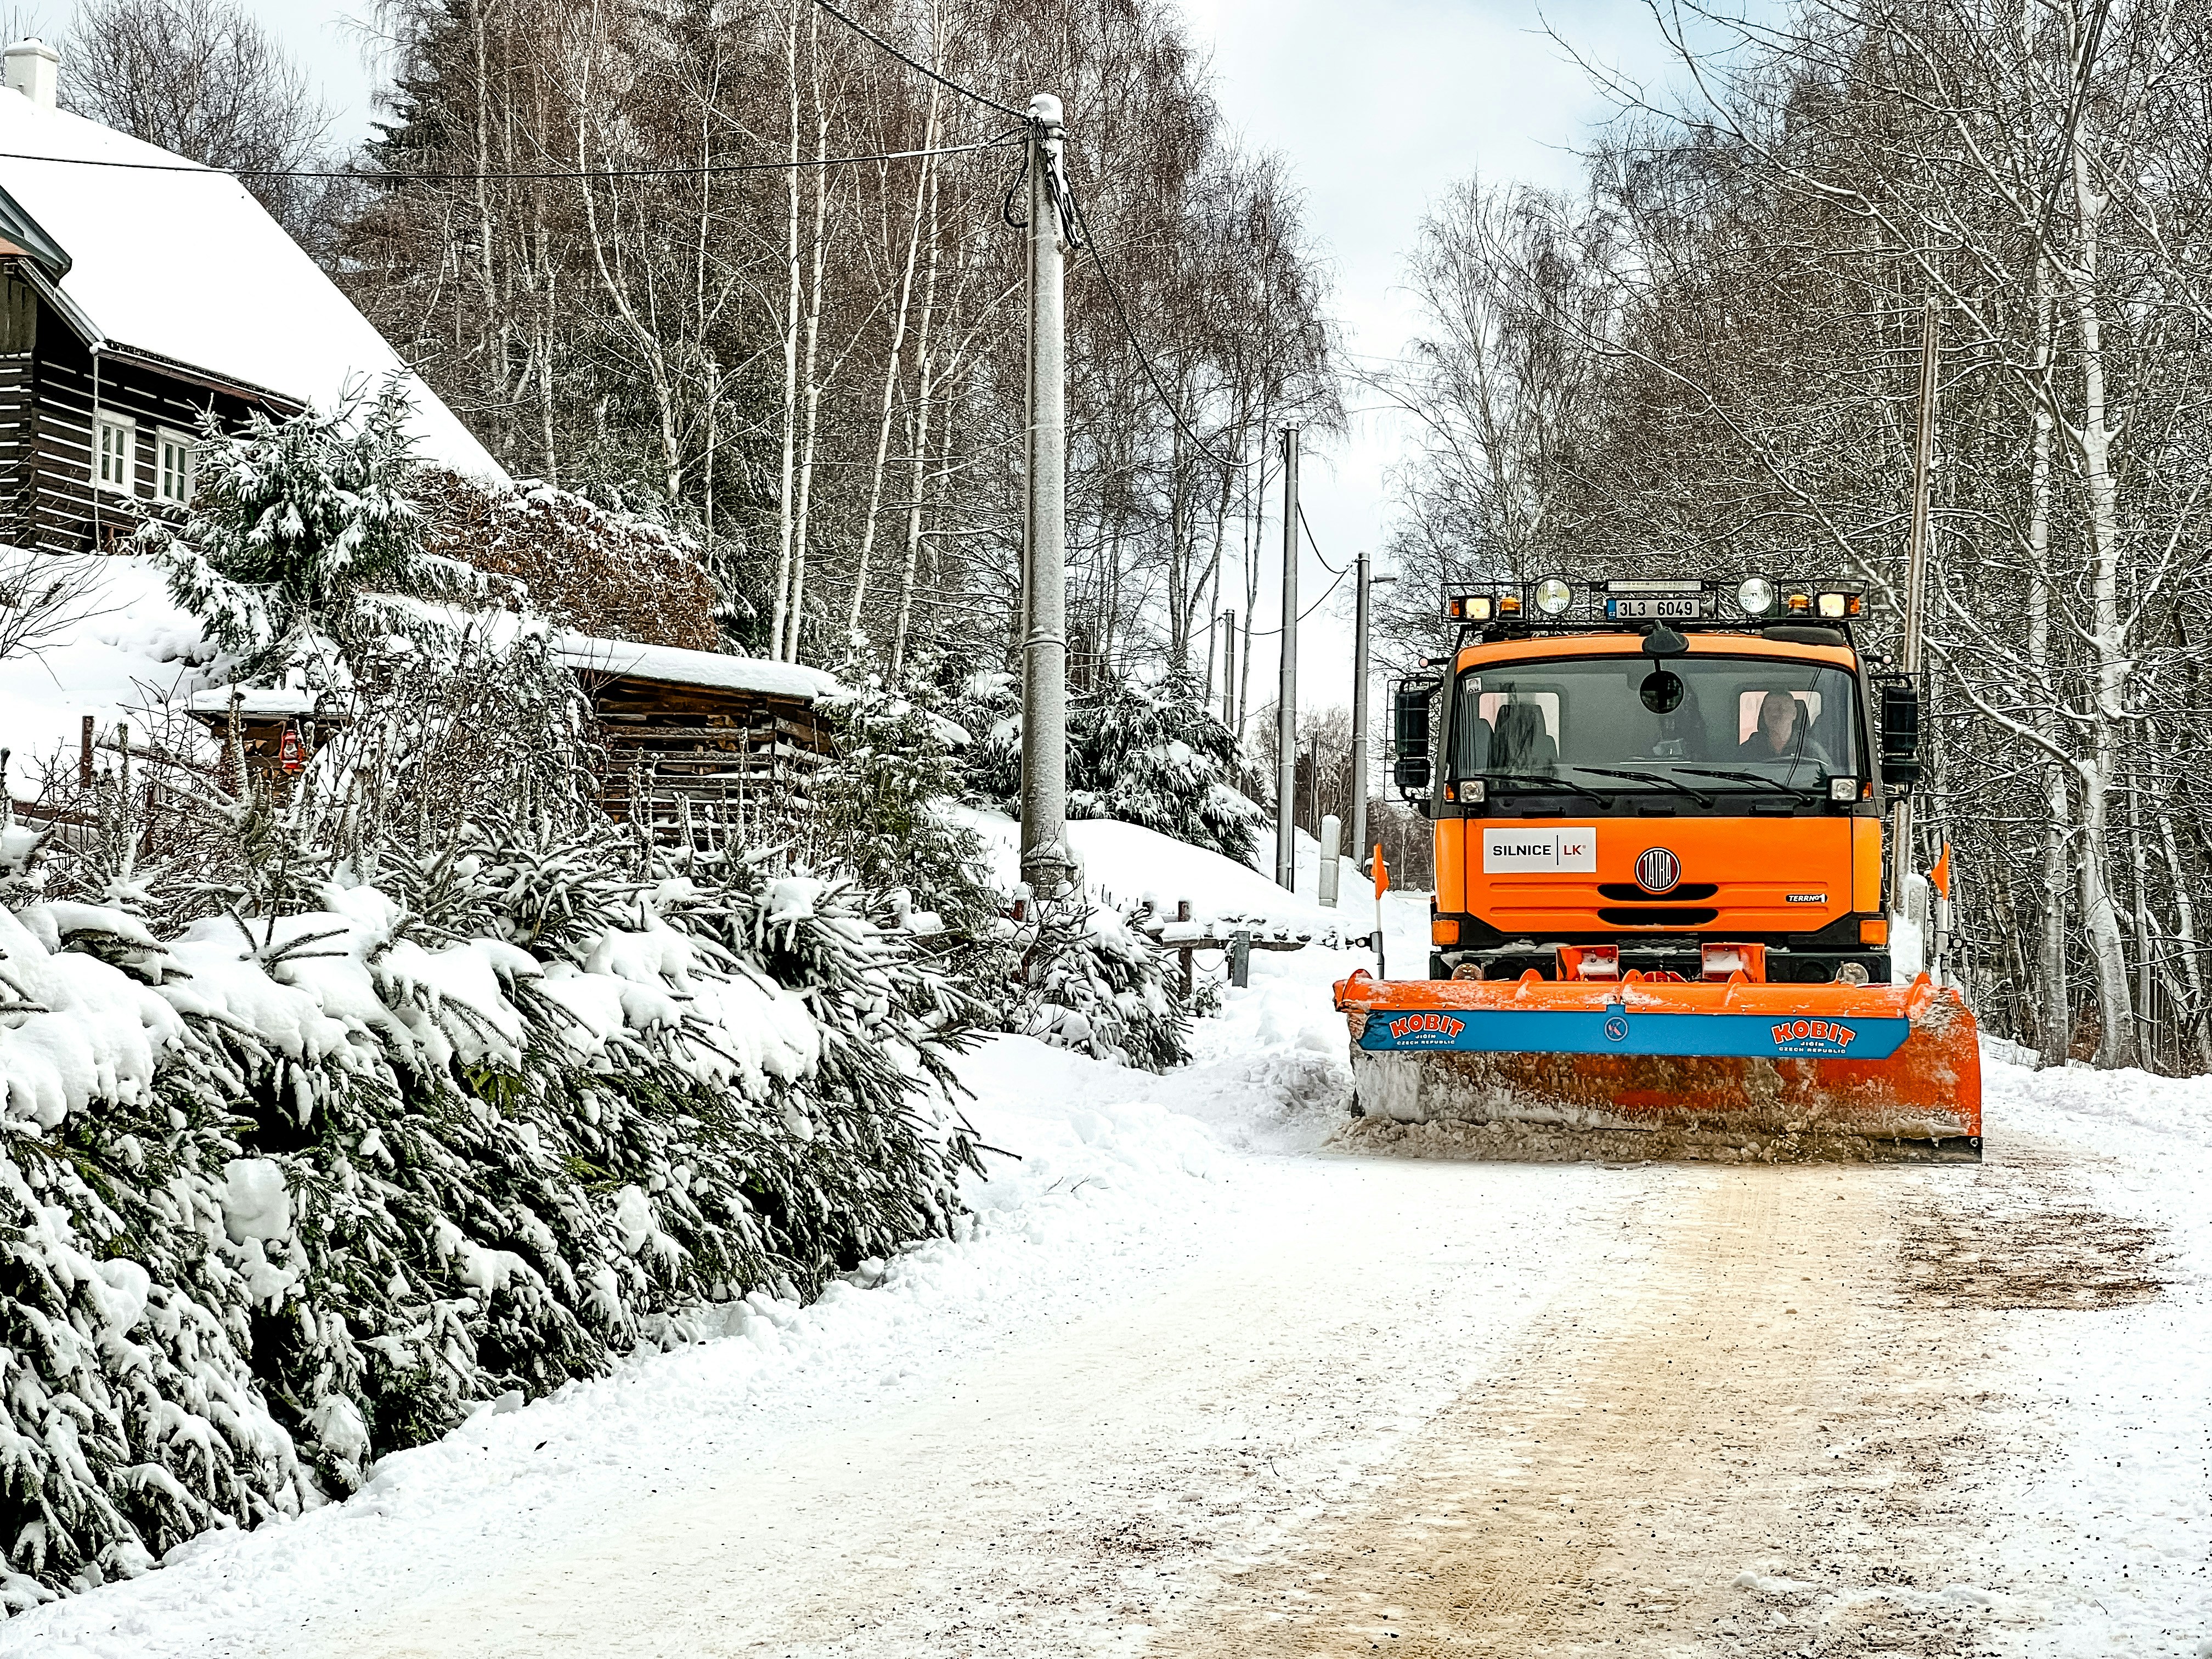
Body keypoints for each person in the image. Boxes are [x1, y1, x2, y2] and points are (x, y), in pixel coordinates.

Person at [1740, 688, 1830, 767]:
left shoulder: (1811, 750)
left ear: (1794, 714)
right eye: (1770, 709)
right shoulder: (1749, 749)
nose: (1775, 714)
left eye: (1781, 709)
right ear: (1763, 714)